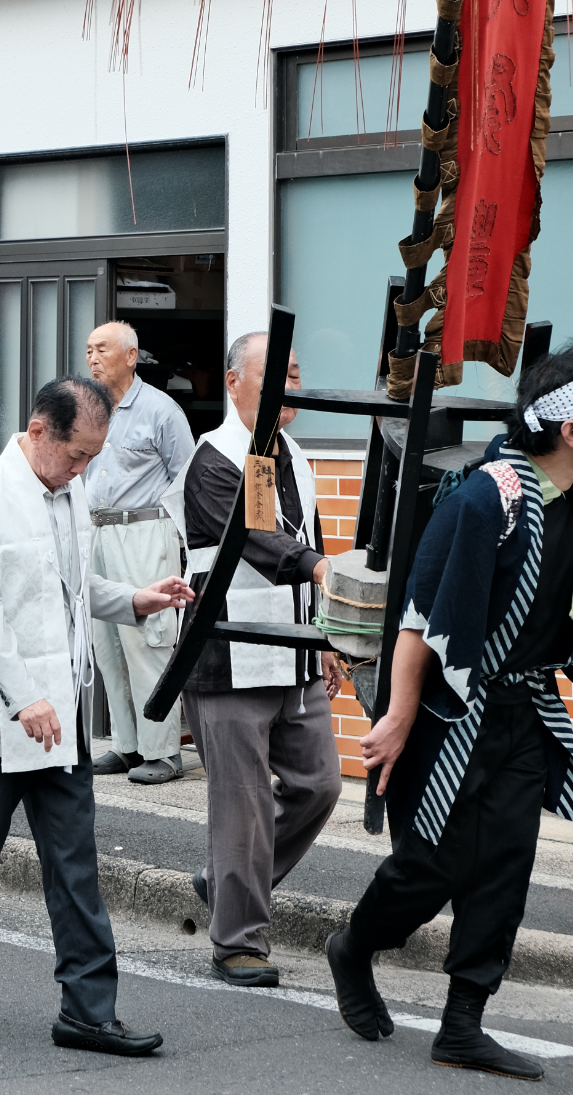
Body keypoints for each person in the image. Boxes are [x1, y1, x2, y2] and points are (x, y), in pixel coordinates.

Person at [0, 376, 193, 1056]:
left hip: (61, 709)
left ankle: (87, 1010)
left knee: (76, 863)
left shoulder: (70, 492)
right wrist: (25, 696)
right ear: (40, 430)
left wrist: (137, 598)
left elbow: (73, 589)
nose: (84, 470)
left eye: (93, 459)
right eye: (78, 455)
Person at [326, 350, 573, 1082]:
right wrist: (397, 716)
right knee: (432, 862)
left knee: (505, 861)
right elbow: (419, 619)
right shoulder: (488, 497)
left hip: (524, 707)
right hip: (451, 709)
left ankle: (463, 1023)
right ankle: (354, 944)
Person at [167, 330, 342, 987]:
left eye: (297, 372)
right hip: (231, 651)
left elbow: (307, 546)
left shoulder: (294, 452)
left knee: (320, 786)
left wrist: (327, 637)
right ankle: (238, 941)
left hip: (295, 649)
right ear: (235, 380)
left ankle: (228, 882)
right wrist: (321, 567)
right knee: (240, 803)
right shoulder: (213, 458)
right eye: (278, 373)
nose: (291, 385)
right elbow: (259, 541)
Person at [84, 320, 194, 783]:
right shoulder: (87, 408)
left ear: (131, 356)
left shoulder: (161, 410)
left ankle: (164, 751)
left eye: (102, 349)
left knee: (149, 641)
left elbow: (189, 478)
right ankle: (127, 746)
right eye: (88, 349)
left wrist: (180, 542)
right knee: (105, 644)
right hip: (95, 532)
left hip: (146, 531)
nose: (92, 358)